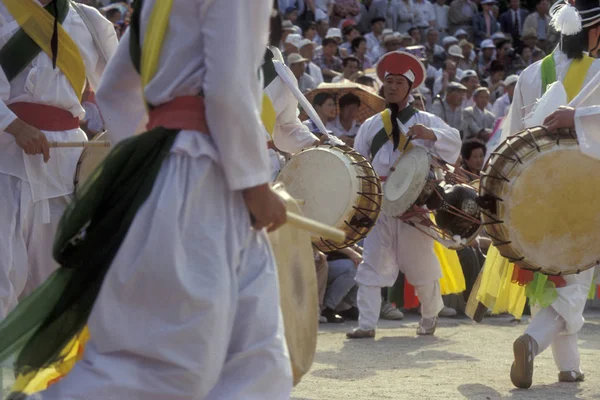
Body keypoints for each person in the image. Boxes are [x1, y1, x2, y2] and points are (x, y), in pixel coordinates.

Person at [23, 0, 294, 398]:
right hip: (205, 178)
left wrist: (152, 160)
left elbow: (117, 87)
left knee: (256, 357)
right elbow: (228, 89)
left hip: (179, 171)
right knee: (166, 364)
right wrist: (255, 186)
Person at [495, 0, 600, 388]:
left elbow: (511, 137)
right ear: (593, 31)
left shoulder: (529, 74)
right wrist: (582, 118)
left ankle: (568, 366)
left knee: (554, 274)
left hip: (531, 191)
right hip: (583, 193)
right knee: (573, 276)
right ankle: (532, 340)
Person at [0, 0, 118, 318]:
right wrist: (12, 124)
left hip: (66, 167)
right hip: (5, 158)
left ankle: (43, 366)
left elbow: (122, 90)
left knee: (56, 280)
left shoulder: (90, 21)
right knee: (2, 274)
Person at [347, 51, 461, 338]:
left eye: (399, 82)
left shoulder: (427, 119)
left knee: (420, 265)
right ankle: (366, 323)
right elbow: (359, 162)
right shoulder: (371, 125)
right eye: (389, 81)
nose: (393, 87)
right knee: (371, 262)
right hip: (380, 202)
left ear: (410, 88)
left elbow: (455, 141)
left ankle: (430, 316)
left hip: (413, 202)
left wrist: (432, 135)